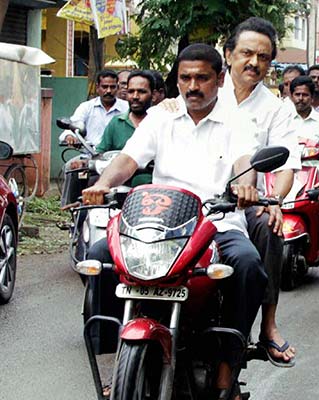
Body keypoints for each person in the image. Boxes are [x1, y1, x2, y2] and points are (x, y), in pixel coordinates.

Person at [82, 43, 267, 397]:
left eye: (202, 78)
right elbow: (129, 158)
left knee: (248, 264)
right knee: (99, 255)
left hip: (216, 223)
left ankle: (228, 365)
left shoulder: (238, 119)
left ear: (220, 78)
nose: (193, 86)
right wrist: (102, 183)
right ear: (177, 80)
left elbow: (246, 161)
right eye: (185, 78)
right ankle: (116, 357)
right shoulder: (160, 117)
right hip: (156, 223)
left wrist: (246, 185)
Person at [221, 17, 301, 366]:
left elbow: (286, 165)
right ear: (228, 54)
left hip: (244, 201)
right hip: (191, 196)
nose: (254, 63)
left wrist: (276, 201)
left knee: (270, 225)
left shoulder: (276, 109)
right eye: (246, 53)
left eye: (263, 57)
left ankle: (267, 326)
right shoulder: (203, 91)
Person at [94, 70, 156, 185]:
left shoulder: (160, 123)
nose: (135, 96)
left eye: (141, 92)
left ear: (153, 95)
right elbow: (101, 154)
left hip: (152, 191)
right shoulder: (116, 123)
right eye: (131, 91)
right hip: (118, 190)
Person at [59, 70, 129, 146]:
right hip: (90, 154)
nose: (108, 91)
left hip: (120, 155)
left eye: (112, 87)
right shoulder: (86, 107)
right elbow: (73, 125)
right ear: (97, 87)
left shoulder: (127, 108)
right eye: (104, 87)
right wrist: (69, 136)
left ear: (117, 88)